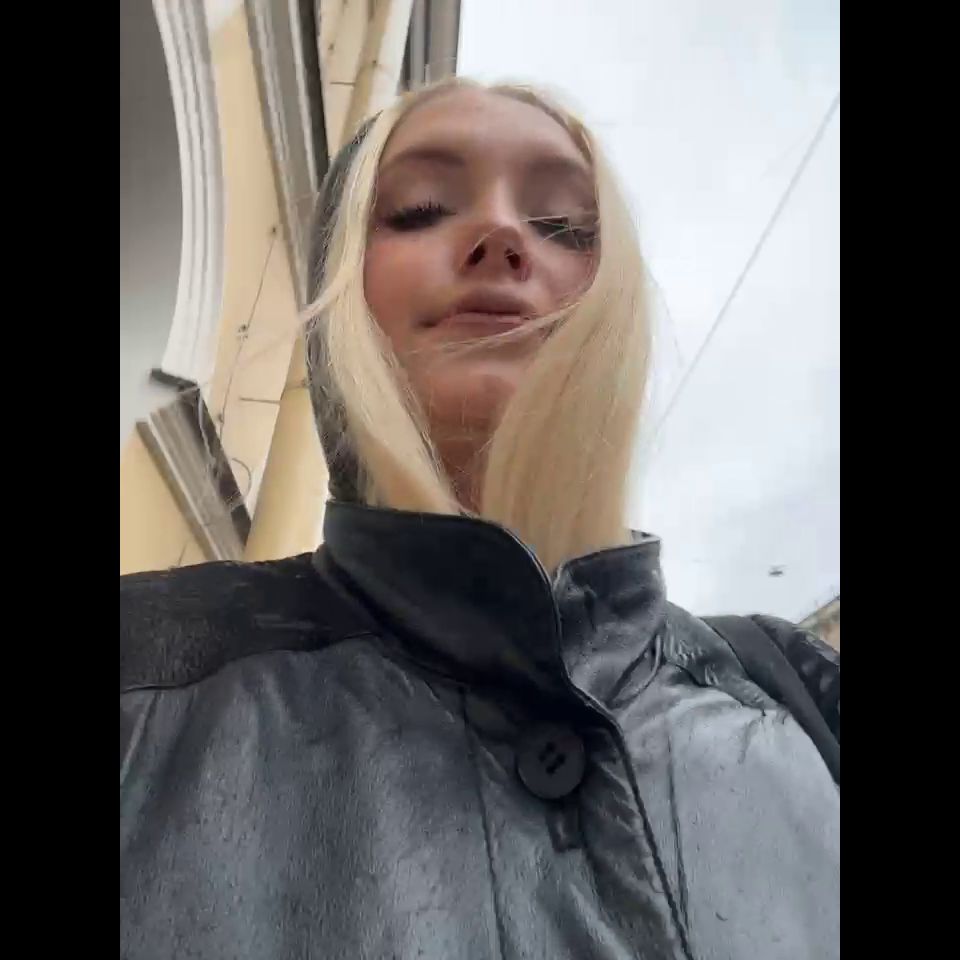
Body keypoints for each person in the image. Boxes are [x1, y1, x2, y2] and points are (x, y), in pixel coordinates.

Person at [120, 79, 840, 960]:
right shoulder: (143, 666)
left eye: (564, 224)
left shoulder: (798, 696)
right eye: (419, 209)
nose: (500, 234)